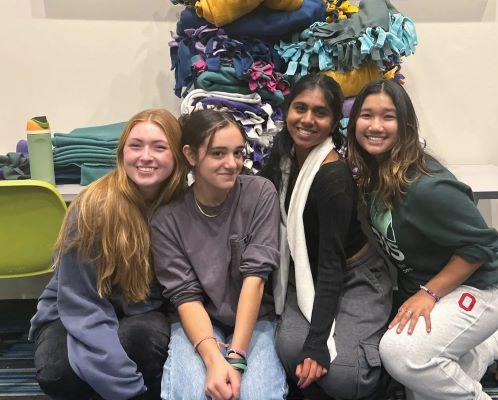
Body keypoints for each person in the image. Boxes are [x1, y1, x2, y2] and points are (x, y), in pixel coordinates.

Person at [347, 78, 498, 400]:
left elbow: (483, 246)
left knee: (401, 354)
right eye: (366, 115)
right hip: (436, 286)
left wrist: (429, 293)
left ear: (405, 125)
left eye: (388, 116)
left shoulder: (427, 187)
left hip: (480, 287)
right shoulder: (373, 173)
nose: (375, 125)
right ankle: (497, 341)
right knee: (419, 387)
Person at [29, 109, 188, 400]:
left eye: (159, 147)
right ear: (122, 151)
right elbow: (81, 304)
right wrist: (128, 389)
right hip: (76, 307)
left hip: (143, 309)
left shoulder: (183, 205)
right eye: (135, 145)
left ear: (178, 155)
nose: (145, 156)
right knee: (58, 371)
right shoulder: (95, 206)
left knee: (141, 343)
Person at [261, 74, 392, 400]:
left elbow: (332, 264)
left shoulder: (333, 176)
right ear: (287, 110)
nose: (307, 120)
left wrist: (318, 343)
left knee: (343, 377)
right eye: (299, 108)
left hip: (353, 276)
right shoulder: (285, 156)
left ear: (334, 122)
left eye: (319, 113)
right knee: (289, 350)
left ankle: (392, 368)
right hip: (307, 274)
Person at [150, 109, 287, 400]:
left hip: (256, 319)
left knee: (257, 396)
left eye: (238, 153)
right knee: (192, 393)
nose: (232, 163)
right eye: (218, 153)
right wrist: (213, 360)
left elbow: (256, 279)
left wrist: (235, 358)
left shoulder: (260, 193)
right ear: (190, 155)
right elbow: (185, 296)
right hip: (200, 321)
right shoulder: (167, 220)